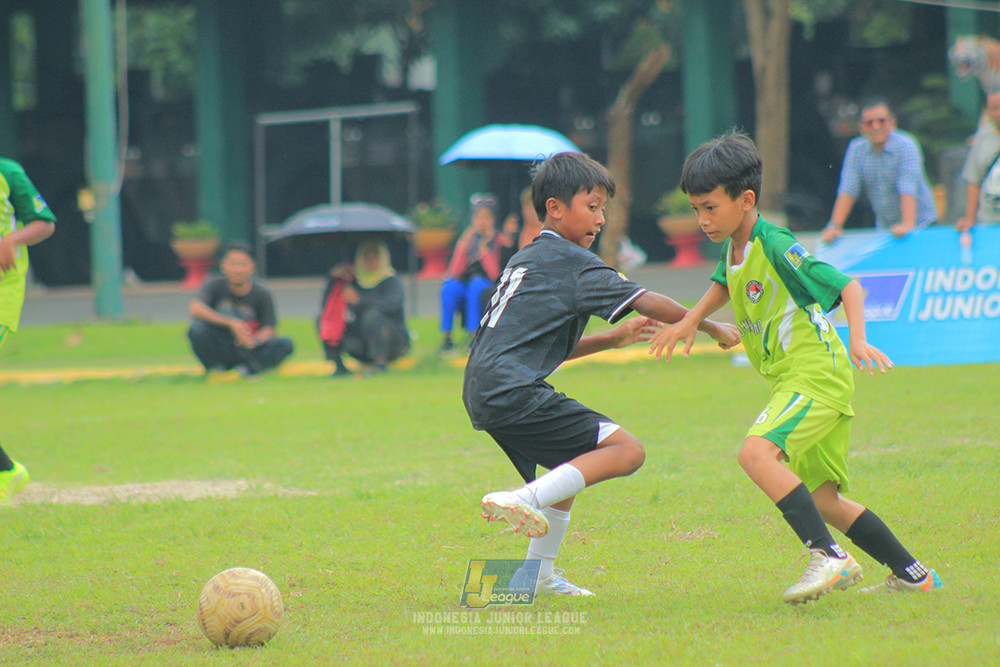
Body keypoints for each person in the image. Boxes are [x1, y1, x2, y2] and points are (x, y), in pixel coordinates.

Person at [650, 132, 942, 603]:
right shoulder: (734, 244)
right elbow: (726, 282)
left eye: (710, 207)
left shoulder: (774, 241)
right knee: (823, 500)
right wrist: (692, 321)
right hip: (795, 378)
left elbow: (849, 287)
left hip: (815, 374)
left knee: (755, 454)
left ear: (746, 200)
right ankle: (914, 574)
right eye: (696, 208)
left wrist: (859, 341)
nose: (702, 220)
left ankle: (828, 556)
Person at [464, 152, 740, 596]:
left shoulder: (527, 258)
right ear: (555, 208)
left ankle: (535, 577)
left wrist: (609, 341)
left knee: (566, 466)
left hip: (486, 386)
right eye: (591, 206)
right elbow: (646, 300)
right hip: (511, 389)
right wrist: (708, 325)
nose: (601, 218)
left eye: (603, 208)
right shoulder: (572, 262)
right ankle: (522, 500)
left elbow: (533, 345)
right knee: (627, 451)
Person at [0, 158, 56, 505]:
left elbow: (44, 223)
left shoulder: (8, 171)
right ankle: (7, 470)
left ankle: (7, 472)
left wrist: (11, 239)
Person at [822, 99, 938, 243]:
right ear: (861, 128)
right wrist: (834, 226)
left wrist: (908, 225)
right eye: (869, 123)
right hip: (886, 228)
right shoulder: (856, 149)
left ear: (892, 123)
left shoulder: (906, 145)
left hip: (922, 225)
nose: (876, 126)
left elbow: (908, 187)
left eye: (881, 121)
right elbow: (848, 189)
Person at [188, 242, 294, 379]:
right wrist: (231, 323)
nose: (238, 270)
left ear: (252, 267)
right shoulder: (213, 285)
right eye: (233, 264)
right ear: (223, 266)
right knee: (197, 329)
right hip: (221, 342)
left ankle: (248, 370)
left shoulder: (261, 293)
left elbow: (269, 327)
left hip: (247, 345)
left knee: (285, 344)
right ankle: (216, 368)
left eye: (243, 264)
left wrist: (255, 340)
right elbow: (196, 308)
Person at [318, 240, 410, 377]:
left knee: (373, 316)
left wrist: (359, 301)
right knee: (324, 318)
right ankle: (338, 365)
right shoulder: (351, 282)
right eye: (366, 257)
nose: (371, 261)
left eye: (375, 257)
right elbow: (328, 306)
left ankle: (380, 363)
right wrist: (333, 280)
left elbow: (391, 305)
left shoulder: (392, 281)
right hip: (360, 342)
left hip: (391, 341)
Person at [439, 193, 507, 353]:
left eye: (486, 218)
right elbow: (454, 272)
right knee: (449, 287)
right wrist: (463, 247)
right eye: (478, 218)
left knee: (475, 287)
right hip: (465, 281)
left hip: (486, 284)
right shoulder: (467, 238)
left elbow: (494, 274)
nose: (482, 222)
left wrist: (483, 249)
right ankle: (447, 336)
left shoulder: (498, 240)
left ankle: (473, 334)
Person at [957, 88, 1000, 230]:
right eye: (994, 108)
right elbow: (973, 180)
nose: (998, 113)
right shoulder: (982, 137)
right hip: (988, 223)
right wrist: (969, 219)